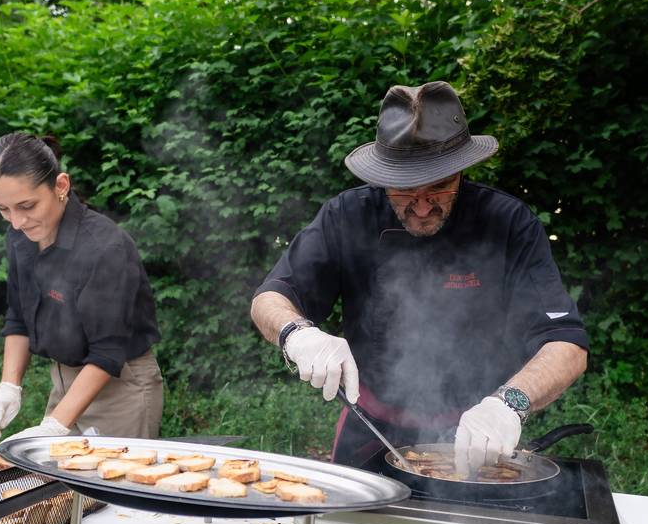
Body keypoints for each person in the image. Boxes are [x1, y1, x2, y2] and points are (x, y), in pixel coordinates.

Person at [251, 81, 588, 475]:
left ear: (461, 171)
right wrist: (297, 333)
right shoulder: (348, 215)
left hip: (476, 434)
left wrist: (508, 404)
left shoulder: (507, 223)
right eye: (405, 190)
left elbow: (568, 344)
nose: (424, 207)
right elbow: (270, 298)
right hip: (371, 429)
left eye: (440, 187)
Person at [0, 132, 163, 442]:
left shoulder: (106, 247)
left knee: (107, 489)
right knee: (54, 489)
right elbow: (19, 318)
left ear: (60, 186)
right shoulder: (20, 238)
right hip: (65, 384)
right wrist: (8, 387)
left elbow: (107, 352)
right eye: (3, 209)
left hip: (121, 389)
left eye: (27, 205)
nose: (17, 222)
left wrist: (55, 426)